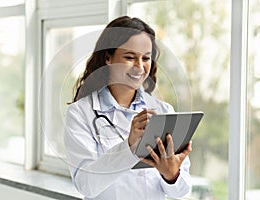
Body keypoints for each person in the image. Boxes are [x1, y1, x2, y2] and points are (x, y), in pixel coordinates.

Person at [64, 16, 192, 200]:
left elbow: (182, 190)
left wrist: (171, 175)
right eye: (130, 57)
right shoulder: (80, 113)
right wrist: (130, 147)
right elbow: (86, 185)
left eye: (146, 58)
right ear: (108, 58)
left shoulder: (163, 111)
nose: (139, 67)